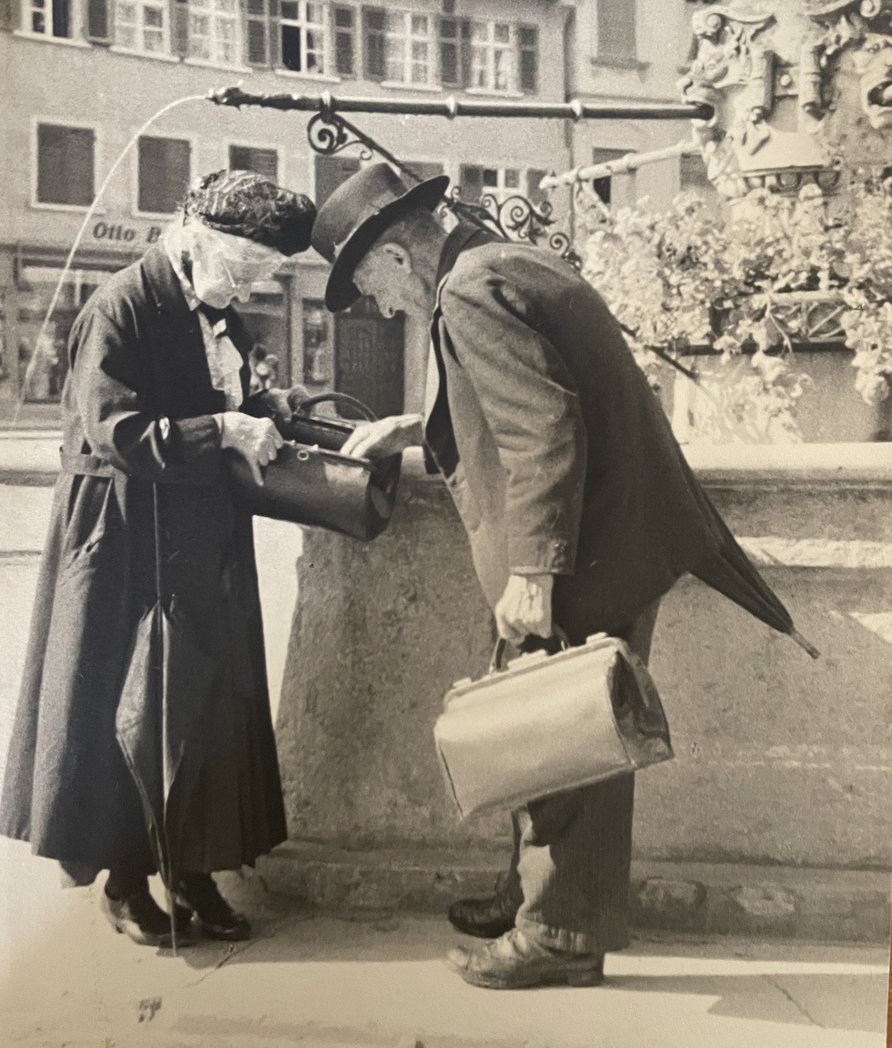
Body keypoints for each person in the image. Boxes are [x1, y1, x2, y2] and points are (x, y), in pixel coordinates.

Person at [311, 163, 813, 990]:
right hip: (615, 542)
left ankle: (561, 934)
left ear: (397, 257)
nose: (381, 304)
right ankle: (532, 895)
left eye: (370, 284)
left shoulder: (468, 292)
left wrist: (534, 572)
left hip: (576, 558)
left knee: (564, 741)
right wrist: (414, 427)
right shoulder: (505, 262)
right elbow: (532, 394)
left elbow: (544, 428)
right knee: (540, 734)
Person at [0, 170, 316, 948]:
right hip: (124, 538)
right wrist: (225, 430)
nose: (247, 287)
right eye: (243, 267)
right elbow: (119, 433)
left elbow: (215, 398)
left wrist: (264, 410)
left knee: (203, 705)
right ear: (194, 235)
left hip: (199, 529)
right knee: (129, 705)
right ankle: (126, 880)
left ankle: (193, 867)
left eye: (261, 273)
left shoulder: (216, 306)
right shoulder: (119, 307)